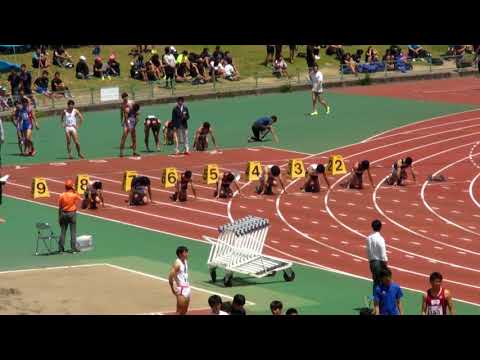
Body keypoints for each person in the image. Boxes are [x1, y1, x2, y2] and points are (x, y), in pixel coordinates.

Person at [58, 179, 82, 254]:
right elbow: (80, 198)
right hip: (72, 214)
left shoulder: (61, 195)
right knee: (73, 232)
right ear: (71, 187)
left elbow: (60, 207)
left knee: (63, 231)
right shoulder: (74, 195)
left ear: (65, 187)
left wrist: (59, 217)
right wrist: (74, 190)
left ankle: (61, 249)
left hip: (63, 213)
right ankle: (73, 248)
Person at [168, 246, 191, 315]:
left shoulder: (185, 261)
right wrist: (172, 288)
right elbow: (170, 276)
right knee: (179, 312)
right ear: (180, 254)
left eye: (187, 252)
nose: (187, 254)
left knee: (184, 312)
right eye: (185, 252)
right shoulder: (177, 264)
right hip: (181, 289)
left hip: (187, 288)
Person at [367, 219, 388, 290]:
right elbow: (382, 252)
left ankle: (375, 299)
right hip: (379, 263)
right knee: (381, 282)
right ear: (380, 227)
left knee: (375, 282)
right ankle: (379, 299)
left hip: (372, 262)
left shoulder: (369, 238)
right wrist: (385, 263)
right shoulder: (380, 238)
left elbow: (368, 250)